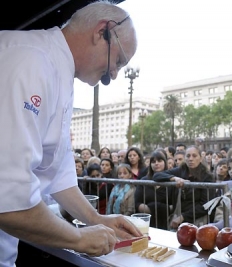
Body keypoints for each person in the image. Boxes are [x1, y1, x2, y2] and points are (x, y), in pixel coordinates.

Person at [0, 1, 141, 265]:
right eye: (119, 61)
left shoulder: (58, 72)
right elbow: (7, 198)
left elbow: (57, 173)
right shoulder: (30, 60)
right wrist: (79, 238)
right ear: (103, 32)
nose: (114, 73)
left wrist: (97, 219)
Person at [153, 146, 215, 229]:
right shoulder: (180, 170)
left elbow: (206, 205)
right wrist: (174, 178)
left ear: (200, 158)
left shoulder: (207, 177)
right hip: (177, 220)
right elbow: (157, 175)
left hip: (197, 221)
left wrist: (183, 217)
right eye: (188, 156)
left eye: (194, 156)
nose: (191, 159)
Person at [134, 150, 170, 230]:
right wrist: (153, 208)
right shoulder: (144, 180)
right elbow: (137, 203)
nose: (156, 163)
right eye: (153, 162)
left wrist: (151, 206)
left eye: (159, 161)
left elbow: (173, 206)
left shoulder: (171, 180)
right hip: (146, 222)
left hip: (167, 222)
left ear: (165, 162)